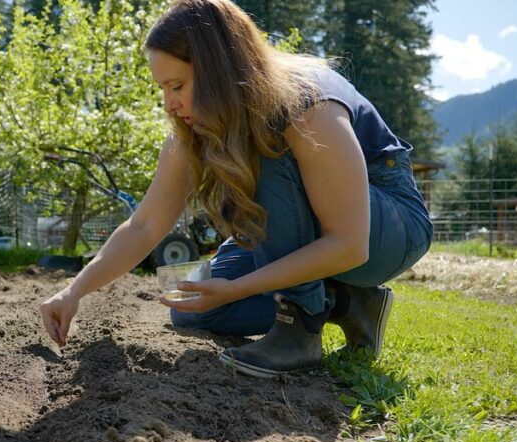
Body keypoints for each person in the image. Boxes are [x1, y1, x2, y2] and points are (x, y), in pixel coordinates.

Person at [38, 0, 432, 378]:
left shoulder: (307, 105)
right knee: (192, 309)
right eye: (162, 89)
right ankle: (348, 303)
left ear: (217, 72)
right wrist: (72, 293)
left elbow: (350, 243)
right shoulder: (195, 128)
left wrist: (236, 288)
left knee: (267, 149)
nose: (168, 105)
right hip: (331, 231)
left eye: (176, 86)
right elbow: (144, 226)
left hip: (389, 225)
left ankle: (300, 326)